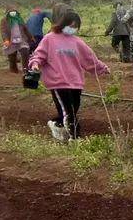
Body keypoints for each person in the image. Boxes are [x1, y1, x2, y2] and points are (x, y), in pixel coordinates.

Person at [27, 12, 110, 141]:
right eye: (70, 25)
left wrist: (102, 68)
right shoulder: (50, 39)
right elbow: (39, 55)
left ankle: (56, 125)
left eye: (76, 26)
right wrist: (35, 64)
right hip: (57, 81)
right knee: (68, 112)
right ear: (62, 24)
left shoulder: (77, 42)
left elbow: (89, 59)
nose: (72, 28)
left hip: (75, 82)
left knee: (72, 110)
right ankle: (75, 137)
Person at [2, 8, 34, 73]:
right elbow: (3, 31)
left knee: (25, 51)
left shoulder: (20, 19)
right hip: (11, 40)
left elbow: (26, 29)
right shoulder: (4, 21)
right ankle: (13, 70)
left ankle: (26, 69)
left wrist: (31, 37)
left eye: (14, 12)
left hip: (21, 39)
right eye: (11, 12)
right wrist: (6, 40)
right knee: (12, 55)